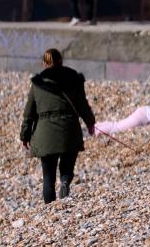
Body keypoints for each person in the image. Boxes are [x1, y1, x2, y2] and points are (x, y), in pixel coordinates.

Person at [20, 49, 96, 204]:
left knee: (48, 176)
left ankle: (49, 208)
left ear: (44, 63)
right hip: (70, 130)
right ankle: (65, 182)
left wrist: (25, 135)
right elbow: (83, 105)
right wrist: (90, 123)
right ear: (61, 61)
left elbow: (29, 113)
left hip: (45, 133)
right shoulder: (74, 79)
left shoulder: (37, 84)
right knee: (67, 166)